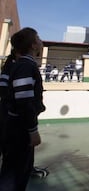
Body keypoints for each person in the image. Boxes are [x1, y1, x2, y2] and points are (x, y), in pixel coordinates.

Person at [0, 27, 46, 190]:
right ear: (33, 45)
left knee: (15, 170)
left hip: (15, 125)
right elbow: (24, 101)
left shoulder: (23, 65)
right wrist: (32, 131)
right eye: (38, 37)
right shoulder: (26, 66)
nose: (41, 41)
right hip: (19, 129)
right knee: (15, 175)